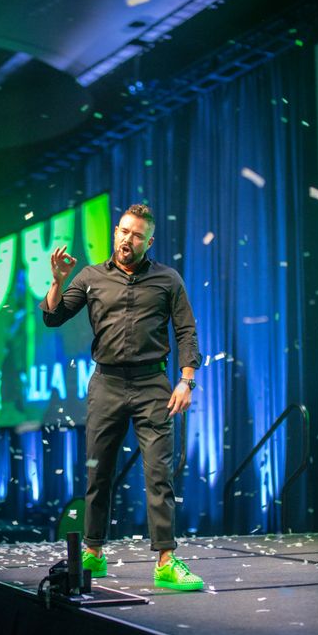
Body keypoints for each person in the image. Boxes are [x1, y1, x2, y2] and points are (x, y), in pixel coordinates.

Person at [40, 204, 204, 590]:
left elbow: (186, 331)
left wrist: (186, 380)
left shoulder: (167, 279)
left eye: (136, 235)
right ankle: (94, 553)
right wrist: (58, 281)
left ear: (149, 241)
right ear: (115, 232)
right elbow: (53, 316)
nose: (127, 240)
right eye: (123, 232)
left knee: (159, 474)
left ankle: (165, 559)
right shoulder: (91, 276)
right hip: (107, 384)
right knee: (98, 474)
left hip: (153, 386)